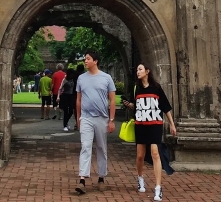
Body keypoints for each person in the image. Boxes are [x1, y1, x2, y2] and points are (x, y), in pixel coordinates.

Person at [123, 63, 177, 202]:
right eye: (137, 69)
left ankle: (158, 188)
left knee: (155, 153)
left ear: (147, 71)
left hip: (155, 125)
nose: (137, 72)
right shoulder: (137, 89)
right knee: (140, 156)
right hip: (140, 125)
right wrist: (130, 105)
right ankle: (140, 178)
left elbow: (165, 106)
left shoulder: (156, 88)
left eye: (140, 69)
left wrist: (172, 124)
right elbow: (139, 105)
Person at [74, 50, 116, 195]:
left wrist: (111, 120)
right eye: (85, 59)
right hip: (86, 117)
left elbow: (112, 100)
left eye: (88, 59)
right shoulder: (81, 78)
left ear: (95, 61)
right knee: (85, 146)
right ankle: (82, 180)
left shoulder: (106, 78)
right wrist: (78, 118)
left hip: (102, 118)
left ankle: (101, 177)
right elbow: (78, 100)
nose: (85, 61)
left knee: (101, 147)